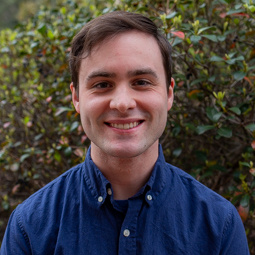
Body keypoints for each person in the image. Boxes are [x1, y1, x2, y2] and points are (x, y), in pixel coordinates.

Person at [0, 11, 250, 255]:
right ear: (76, 97)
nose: (122, 103)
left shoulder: (219, 226)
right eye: (102, 85)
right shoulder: (30, 227)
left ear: (169, 93)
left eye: (141, 82)